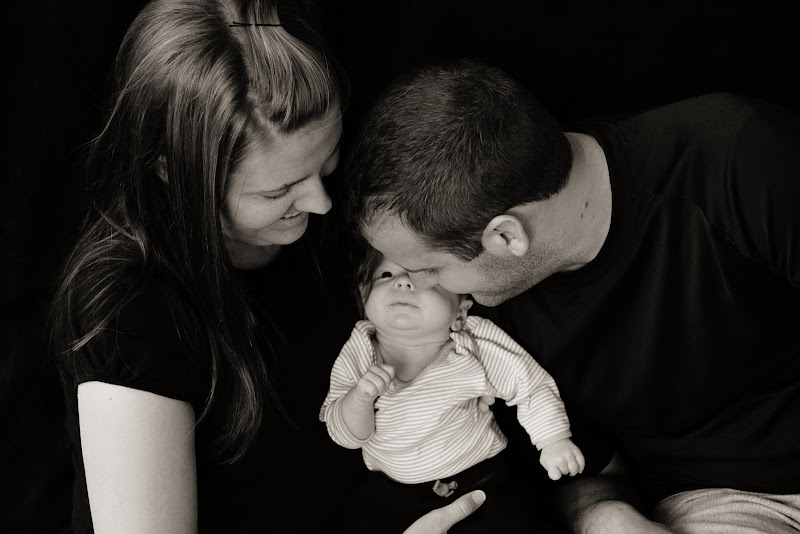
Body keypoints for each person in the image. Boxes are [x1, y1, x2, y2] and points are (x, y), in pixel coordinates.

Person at [49, 1, 485, 532]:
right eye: (278, 191)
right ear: (174, 171)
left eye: (327, 161)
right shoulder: (126, 310)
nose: (322, 203)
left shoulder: (321, 201)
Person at [343, 58, 800, 533]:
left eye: (430, 269)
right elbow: (582, 469)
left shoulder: (741, 158)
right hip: (727, 504)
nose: (423, 289)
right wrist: (602, 516)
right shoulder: (487, 317)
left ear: (506, 236)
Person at [319, 247, 584, 533]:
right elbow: (346, 436)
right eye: (385, 274)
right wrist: (359, 398)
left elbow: (528, 383)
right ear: (364, 297)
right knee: (357, 519)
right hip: (394, 491)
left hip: (481, 476)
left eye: (425, 278)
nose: (403, 282)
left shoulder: (472, 342)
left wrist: (553, 439)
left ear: (460, 313)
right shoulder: (360, 351)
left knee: (518, 519)